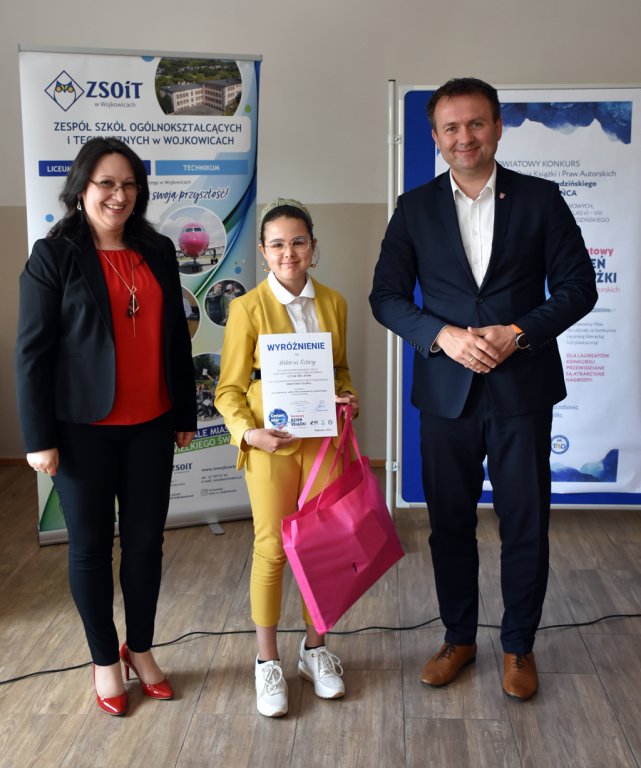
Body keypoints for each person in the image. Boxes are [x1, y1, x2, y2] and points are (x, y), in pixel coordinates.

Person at [369, 78, 597, 701]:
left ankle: (519, 645)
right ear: (435, 137)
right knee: (449, 524)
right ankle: (459, 638)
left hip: (523, 391)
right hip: (446, 395)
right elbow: (386, 297)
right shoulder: (414, 207)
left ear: (497, 127)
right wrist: (440, 336)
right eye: (451, 127)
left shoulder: (541, 199)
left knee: (525, 522)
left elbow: (579, 287)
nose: (464, 137)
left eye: (476, 123)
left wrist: (518, 333)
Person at [15, 137, 197, 716]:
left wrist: (185, 412)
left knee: (145, 545)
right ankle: (103, 659)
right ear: (82, 189)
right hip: (80, 429)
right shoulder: (54, 255)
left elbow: (175, 337)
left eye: (129, 184)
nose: (119, 195)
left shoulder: (157, 249)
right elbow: (32, 353)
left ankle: (139, 648)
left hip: (152, 424)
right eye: (106, 184)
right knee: (91, 548)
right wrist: (38, 438)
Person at [214, 198, 359, 717]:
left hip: (323, 443)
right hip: (269, 444)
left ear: (313, 247)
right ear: (263, 251)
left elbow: (340, 370)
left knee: (323, 545)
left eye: (298, 242)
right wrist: (248, 435)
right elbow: (228, 390)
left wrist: (349, 397)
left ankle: (314, 650)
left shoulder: (335, 303)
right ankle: (267, 661)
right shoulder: (246, 308)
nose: (288, 252)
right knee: (272, 548)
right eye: (277, 244)